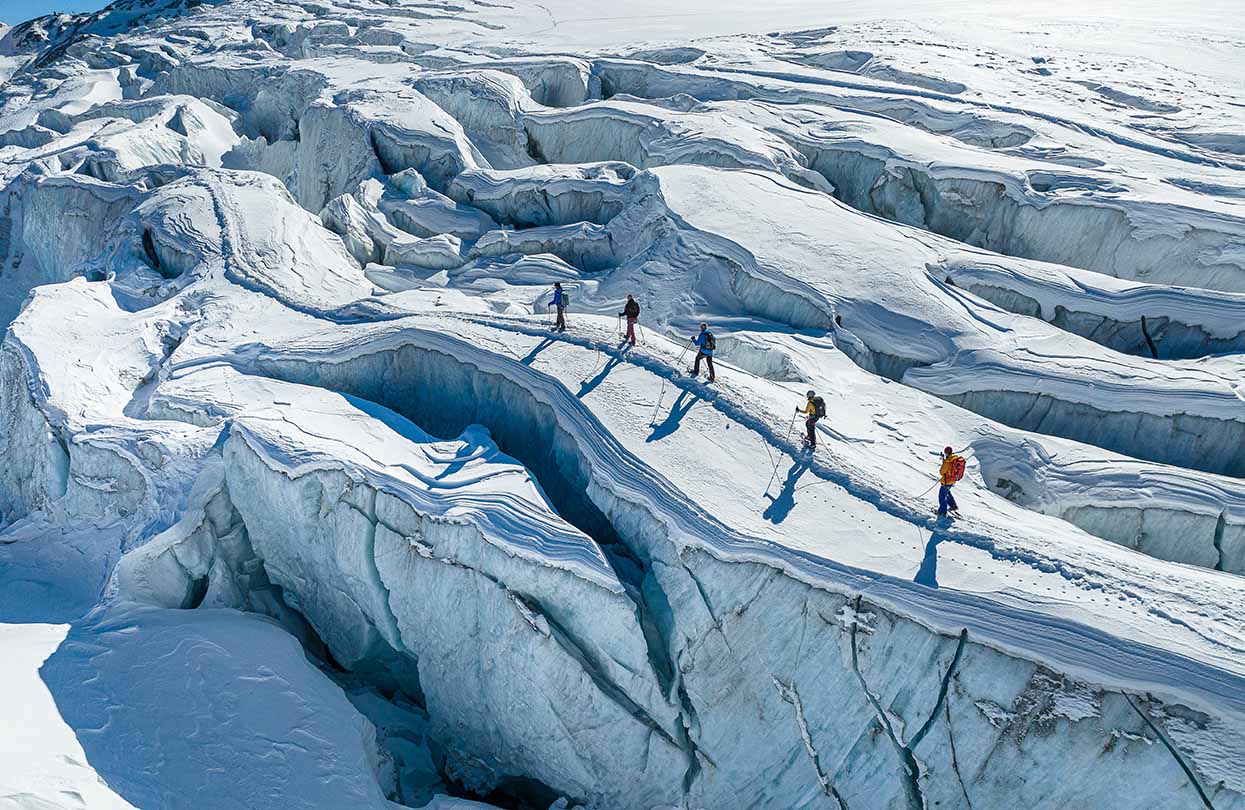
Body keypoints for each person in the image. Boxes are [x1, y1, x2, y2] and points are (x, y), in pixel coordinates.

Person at [937, 446, 962, 516]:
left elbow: (941, 472)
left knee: (942, 496)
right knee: (947, 492)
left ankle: (942, 511)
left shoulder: (947, 462)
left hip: (946, 481)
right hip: (952, 481)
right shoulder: (954, 459)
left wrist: (944, 462)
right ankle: (953, 506)